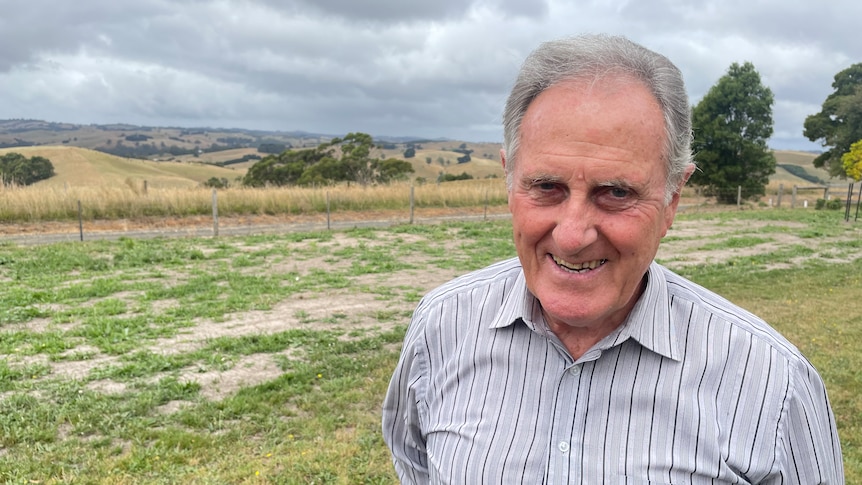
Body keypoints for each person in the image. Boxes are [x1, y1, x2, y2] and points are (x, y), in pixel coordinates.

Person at [382, 34, 844, 484]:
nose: (572, 235)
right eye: (547, 187)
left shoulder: (774, 384)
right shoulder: (442, 326)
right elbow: (417, 462)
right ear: (509, 179)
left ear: (672, 201)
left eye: (616, 192)